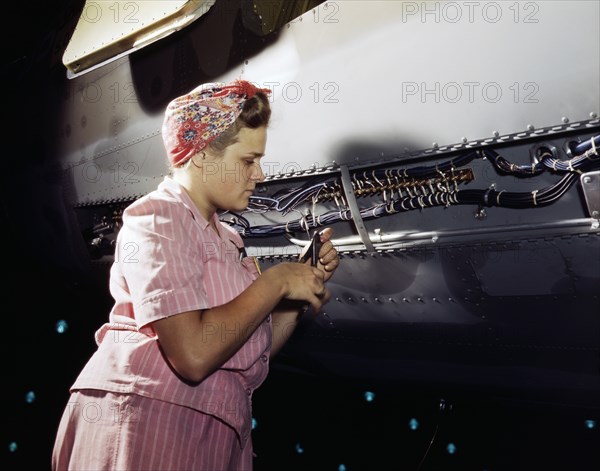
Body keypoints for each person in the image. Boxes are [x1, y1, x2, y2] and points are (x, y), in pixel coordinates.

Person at [52, 79, 339, 471]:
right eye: (247, 160)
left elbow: (249, 350)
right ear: (202, 155)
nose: (259, 175)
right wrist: (275, 281)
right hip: (145, 424)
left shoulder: (228, 240)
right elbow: (193, 354)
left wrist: (295, 292)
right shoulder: (158, 217)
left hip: (210, 434)